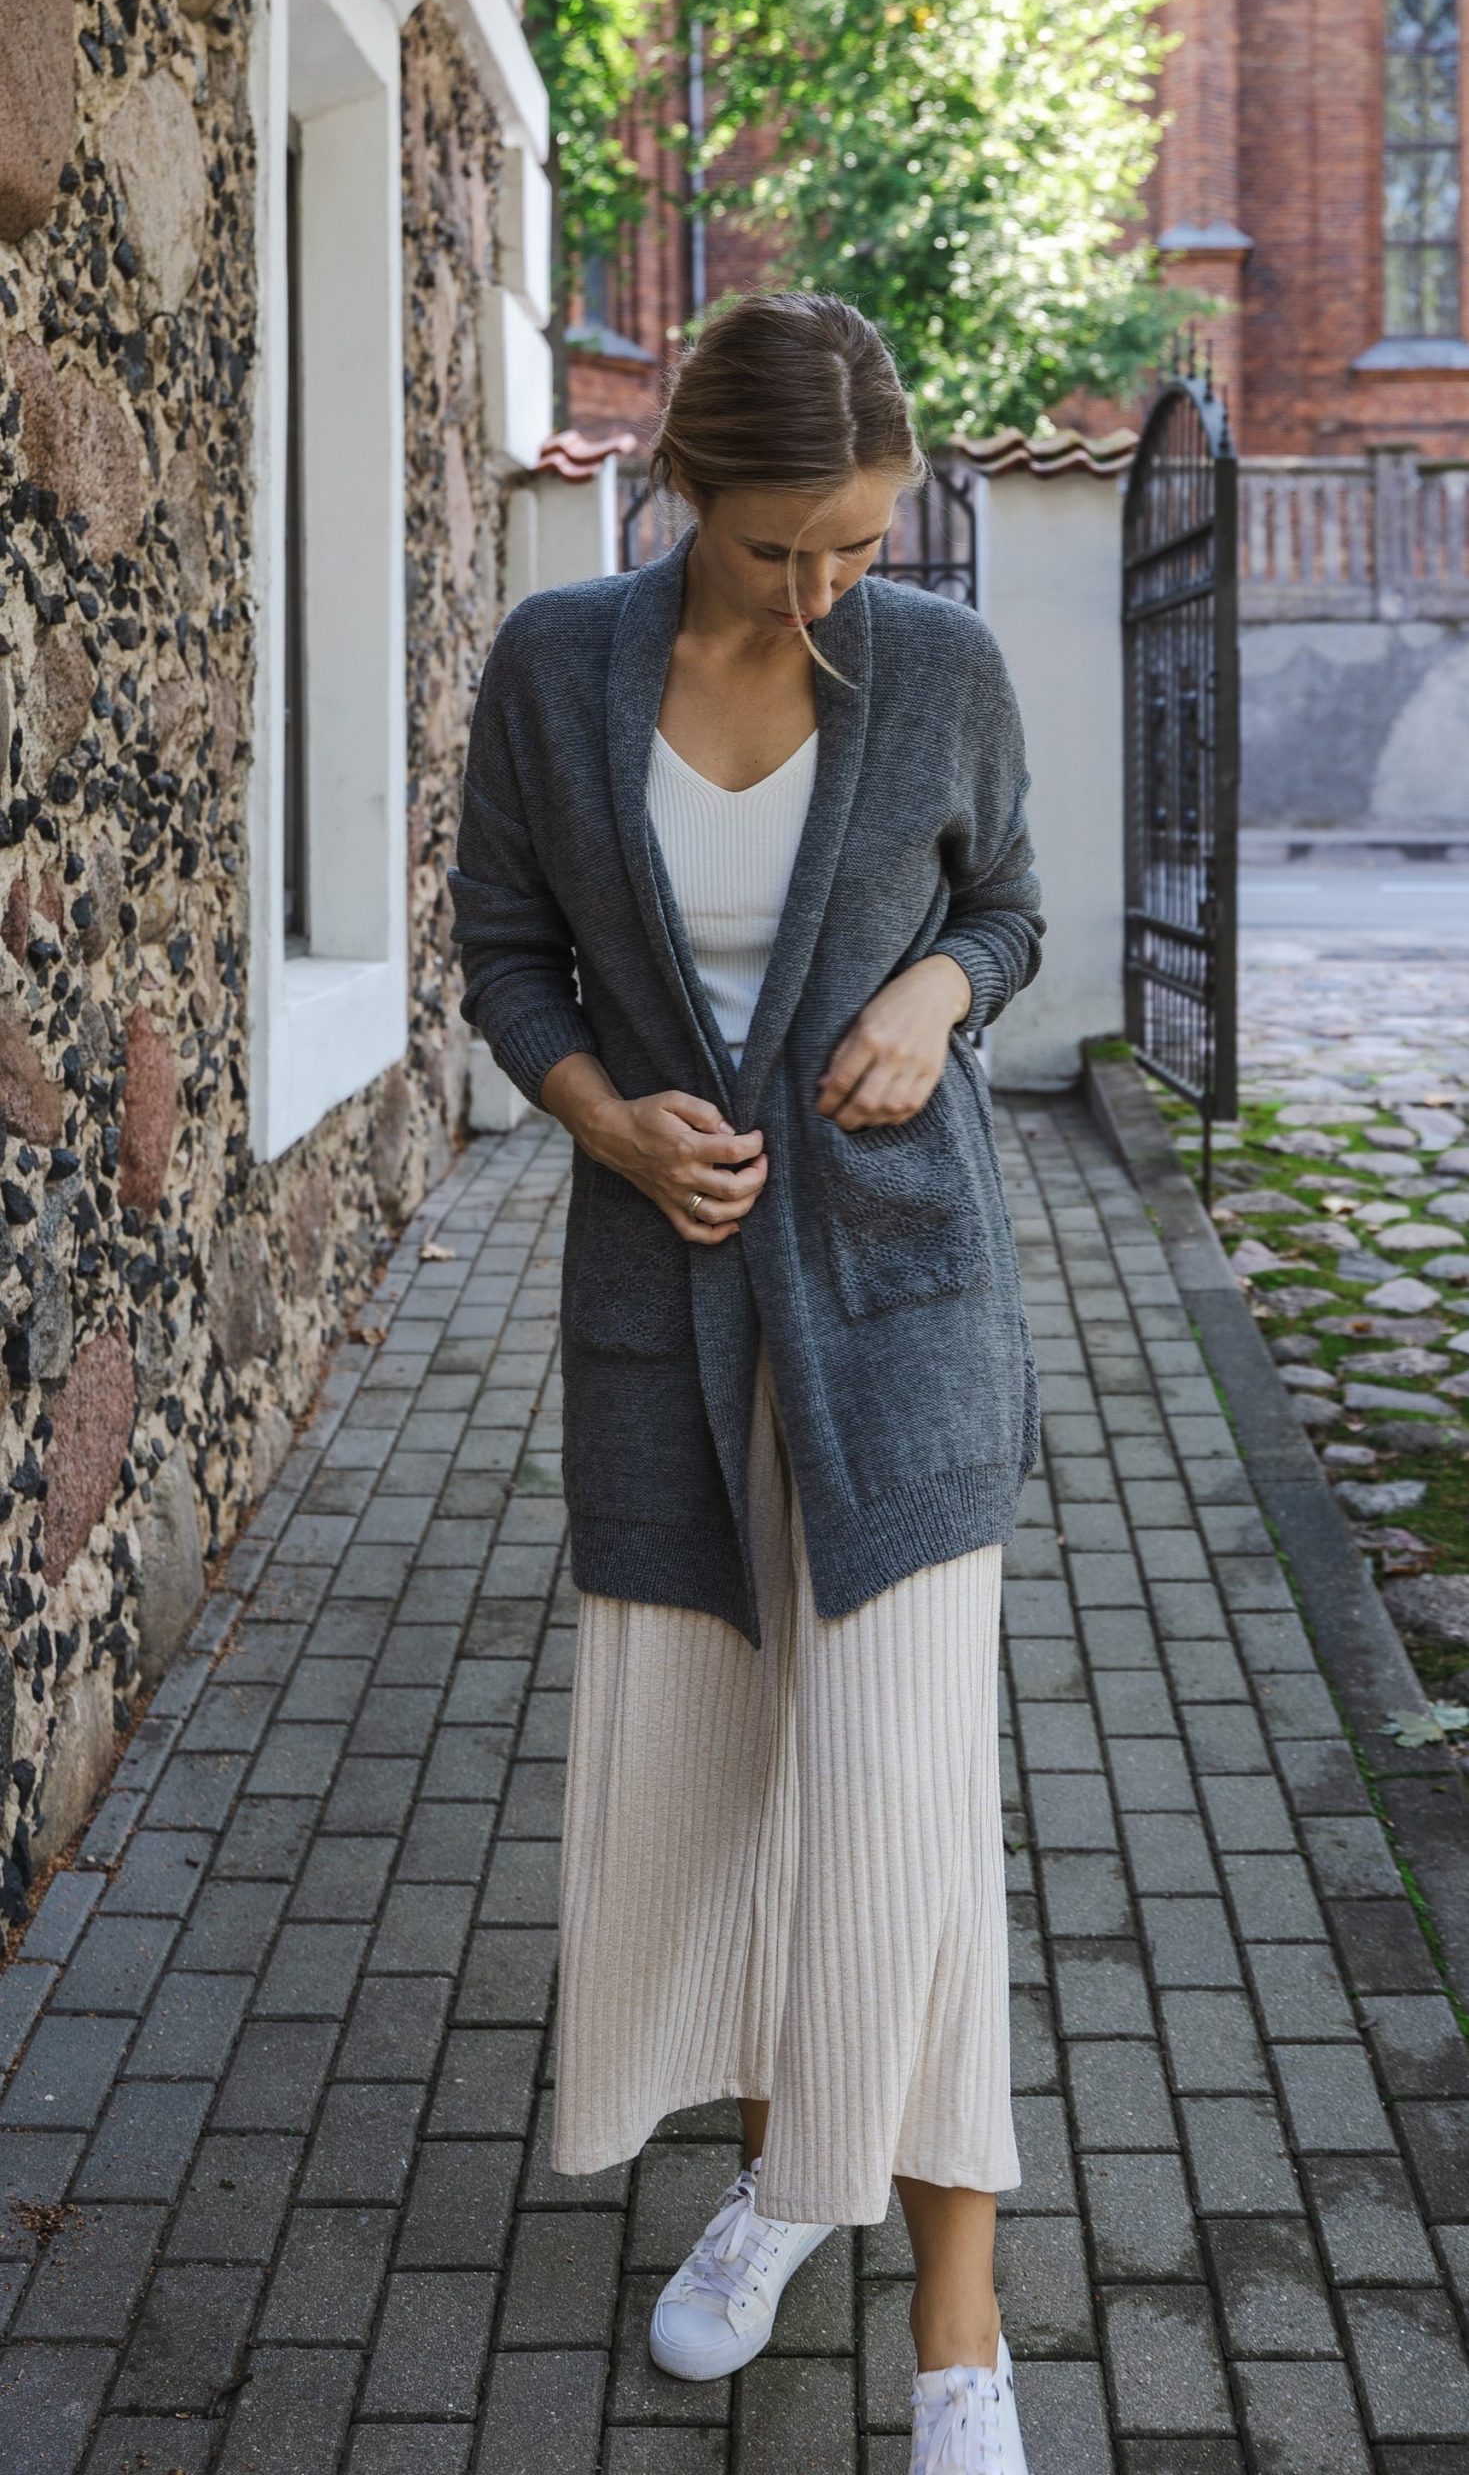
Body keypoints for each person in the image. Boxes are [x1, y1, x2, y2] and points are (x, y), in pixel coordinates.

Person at [450, 290, 1044, 2474]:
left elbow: (1011, 909)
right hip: (670, 1311)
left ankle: (960, 2335)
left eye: (859, 545)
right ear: (683, 483)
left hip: (904, 1313)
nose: (821, 590)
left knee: (901, 1809)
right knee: (730, 1794)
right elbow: (503, 951)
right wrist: (605, 1119)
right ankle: (792, 2182)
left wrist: (935, 994)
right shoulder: (556, 669)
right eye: (781, 545)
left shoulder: (940, 670)